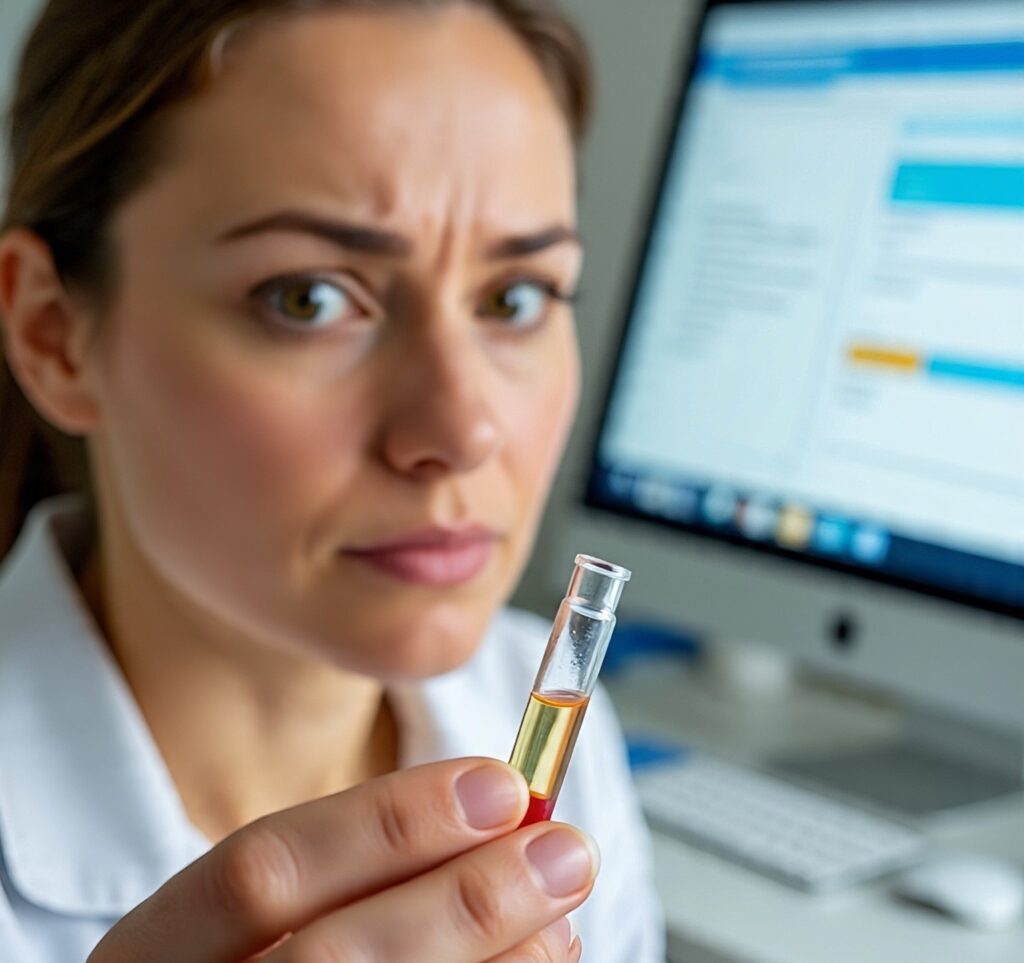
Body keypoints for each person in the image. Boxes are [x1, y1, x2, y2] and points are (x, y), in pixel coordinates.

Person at [0, 1, 665, 960]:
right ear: (52, 334)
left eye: (514, 298)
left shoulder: (552, 718)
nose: (462, 429)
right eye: (308, 298)